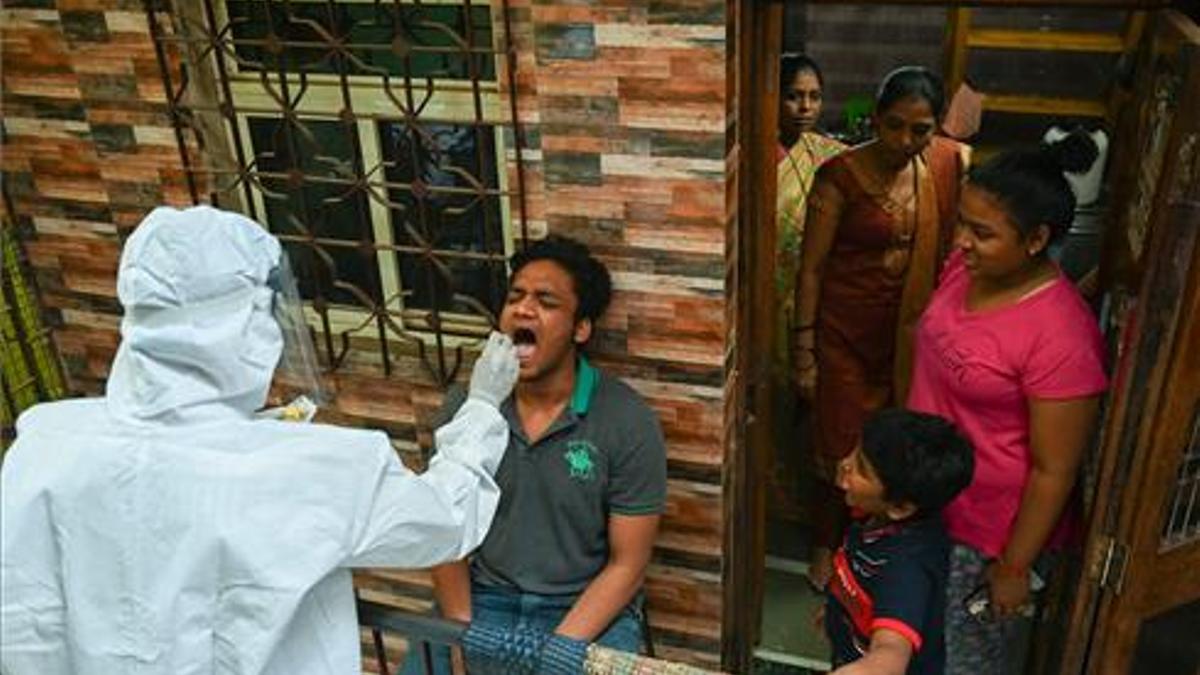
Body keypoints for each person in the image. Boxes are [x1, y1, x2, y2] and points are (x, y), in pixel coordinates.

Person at [0, 206, 519, 675]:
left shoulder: (45, 444)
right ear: (240, 324)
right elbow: (446, 519)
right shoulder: (317, 469)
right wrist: (482, 406)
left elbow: (29, 619)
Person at [405, 235, 668, 674]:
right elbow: (443, 529)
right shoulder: (470, 408)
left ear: (581, 328)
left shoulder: (626, 420)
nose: (523, 310)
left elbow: (629, 564)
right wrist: (460, 637)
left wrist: (558, 653)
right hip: (484, 600)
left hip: (583, 608)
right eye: (515, 297)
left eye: (546, 301)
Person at [906, 141, 1107, 674]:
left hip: (983, 531)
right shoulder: (964, 270)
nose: (963, 242)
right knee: (907, 635)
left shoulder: (1062, 337)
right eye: (963, 224)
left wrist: (1014, 565)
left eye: (983, 233)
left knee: (962, 658)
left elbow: (1054, 468)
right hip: (923, 498)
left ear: (1037, 240)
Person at [795, 66, 970, 588]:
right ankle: (826, 543)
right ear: (874, 117)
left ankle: (874, 549)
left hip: (908, 335)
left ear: (936, 128)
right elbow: (812, 268)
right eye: (893, 125)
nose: (905, 141)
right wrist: (804, 350)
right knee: (841, 446)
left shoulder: (942, 166)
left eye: (920, 130)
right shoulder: (839, 177)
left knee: (894, 447)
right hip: (844, 336)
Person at [824, 408, 974, 675]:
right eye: (855, 453)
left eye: (861, 469)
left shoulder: (905, 569)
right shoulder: (874, 515)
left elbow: (891, 656)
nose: (845, 464)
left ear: (901, 507)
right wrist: (838, 611)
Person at [771, 55, 846, 517]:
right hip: (762, 299)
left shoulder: (831, 158)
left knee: (812, 404)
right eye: (794, 96)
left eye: (814, 96)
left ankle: (805, 506)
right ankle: (771, 505)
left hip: (816, 298)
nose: (805, 106)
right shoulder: (752, 156)